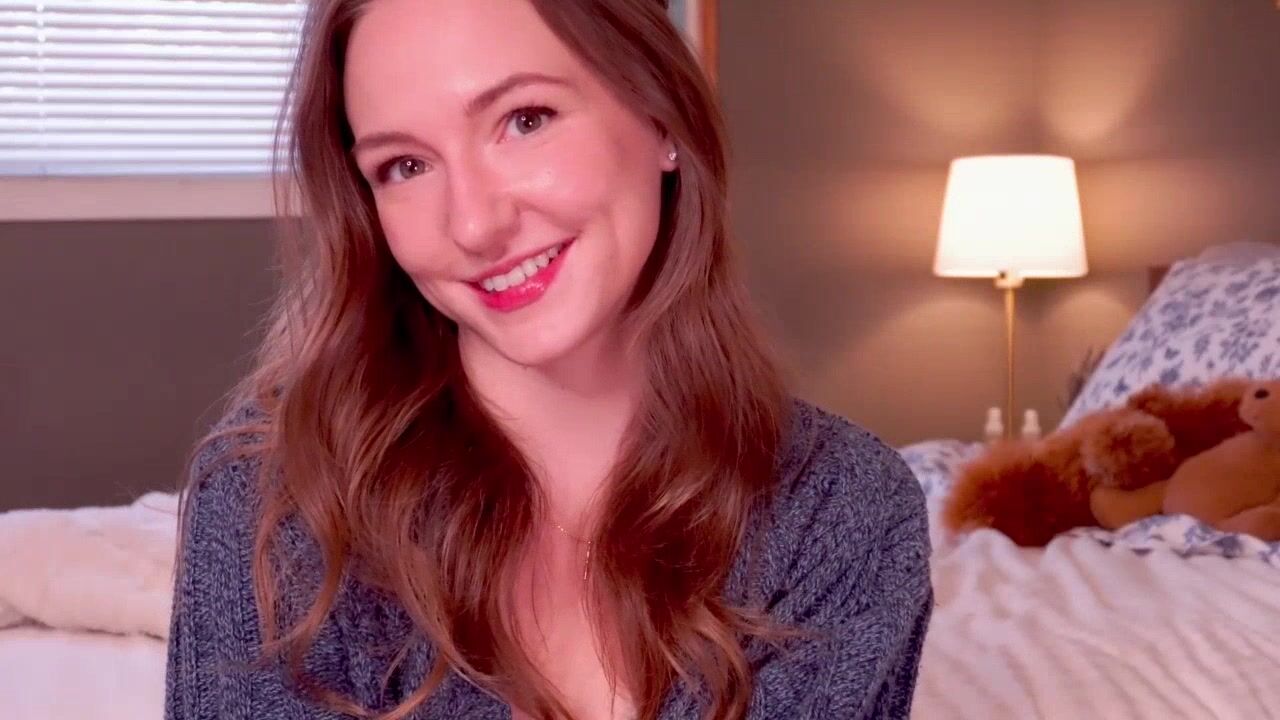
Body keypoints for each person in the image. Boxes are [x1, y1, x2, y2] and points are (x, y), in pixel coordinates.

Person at [163, 0, 932, 718]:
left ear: (662, 115)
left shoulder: (844, 507)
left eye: (525, 120)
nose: (474, 224)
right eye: (405, 166)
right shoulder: (275, 497)